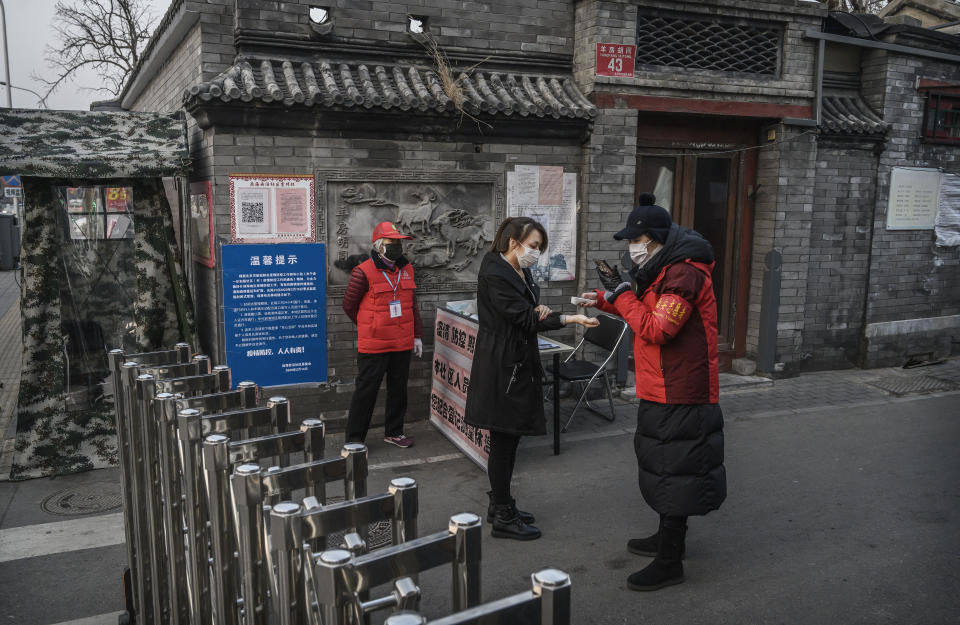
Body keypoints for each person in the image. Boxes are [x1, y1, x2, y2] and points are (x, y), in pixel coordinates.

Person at [578, 192, 726, 591]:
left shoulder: (685, 274)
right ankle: (666, 539)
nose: (631, 248)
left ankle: (670, 560)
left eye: (634, 241)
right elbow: (646, 307)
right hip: (662, 384)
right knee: (664, 465)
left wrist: (621, 294)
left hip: (682, 387)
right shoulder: (666, 269)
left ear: (656, 239)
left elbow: (659, 328)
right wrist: (608, 300)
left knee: (674, 470)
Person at [464, 216, 599, 541]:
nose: (537, 253)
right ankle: (503, 516)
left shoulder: (513, 269)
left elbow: (530, 311)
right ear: (514, 242)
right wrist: (569, 317)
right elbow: (526, 317)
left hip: (514, 360)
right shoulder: (496, 272)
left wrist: (538, 313)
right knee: (503, 440)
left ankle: (501, 504)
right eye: (535, 246)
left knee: (508, 440)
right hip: (504, 366)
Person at [342, 221, 423, 448]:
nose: (396, 247)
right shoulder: (363, 271)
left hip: (402, 342)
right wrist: (370, 325)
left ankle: (394, 432)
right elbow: (349, 305)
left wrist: (417, 335)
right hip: (374, 344)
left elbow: (412, 305)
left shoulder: (406, 269)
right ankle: (355, 439)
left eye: (398, 243)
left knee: (399, 390)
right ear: (379, 246)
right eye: (391, 243)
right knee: (366, 392)